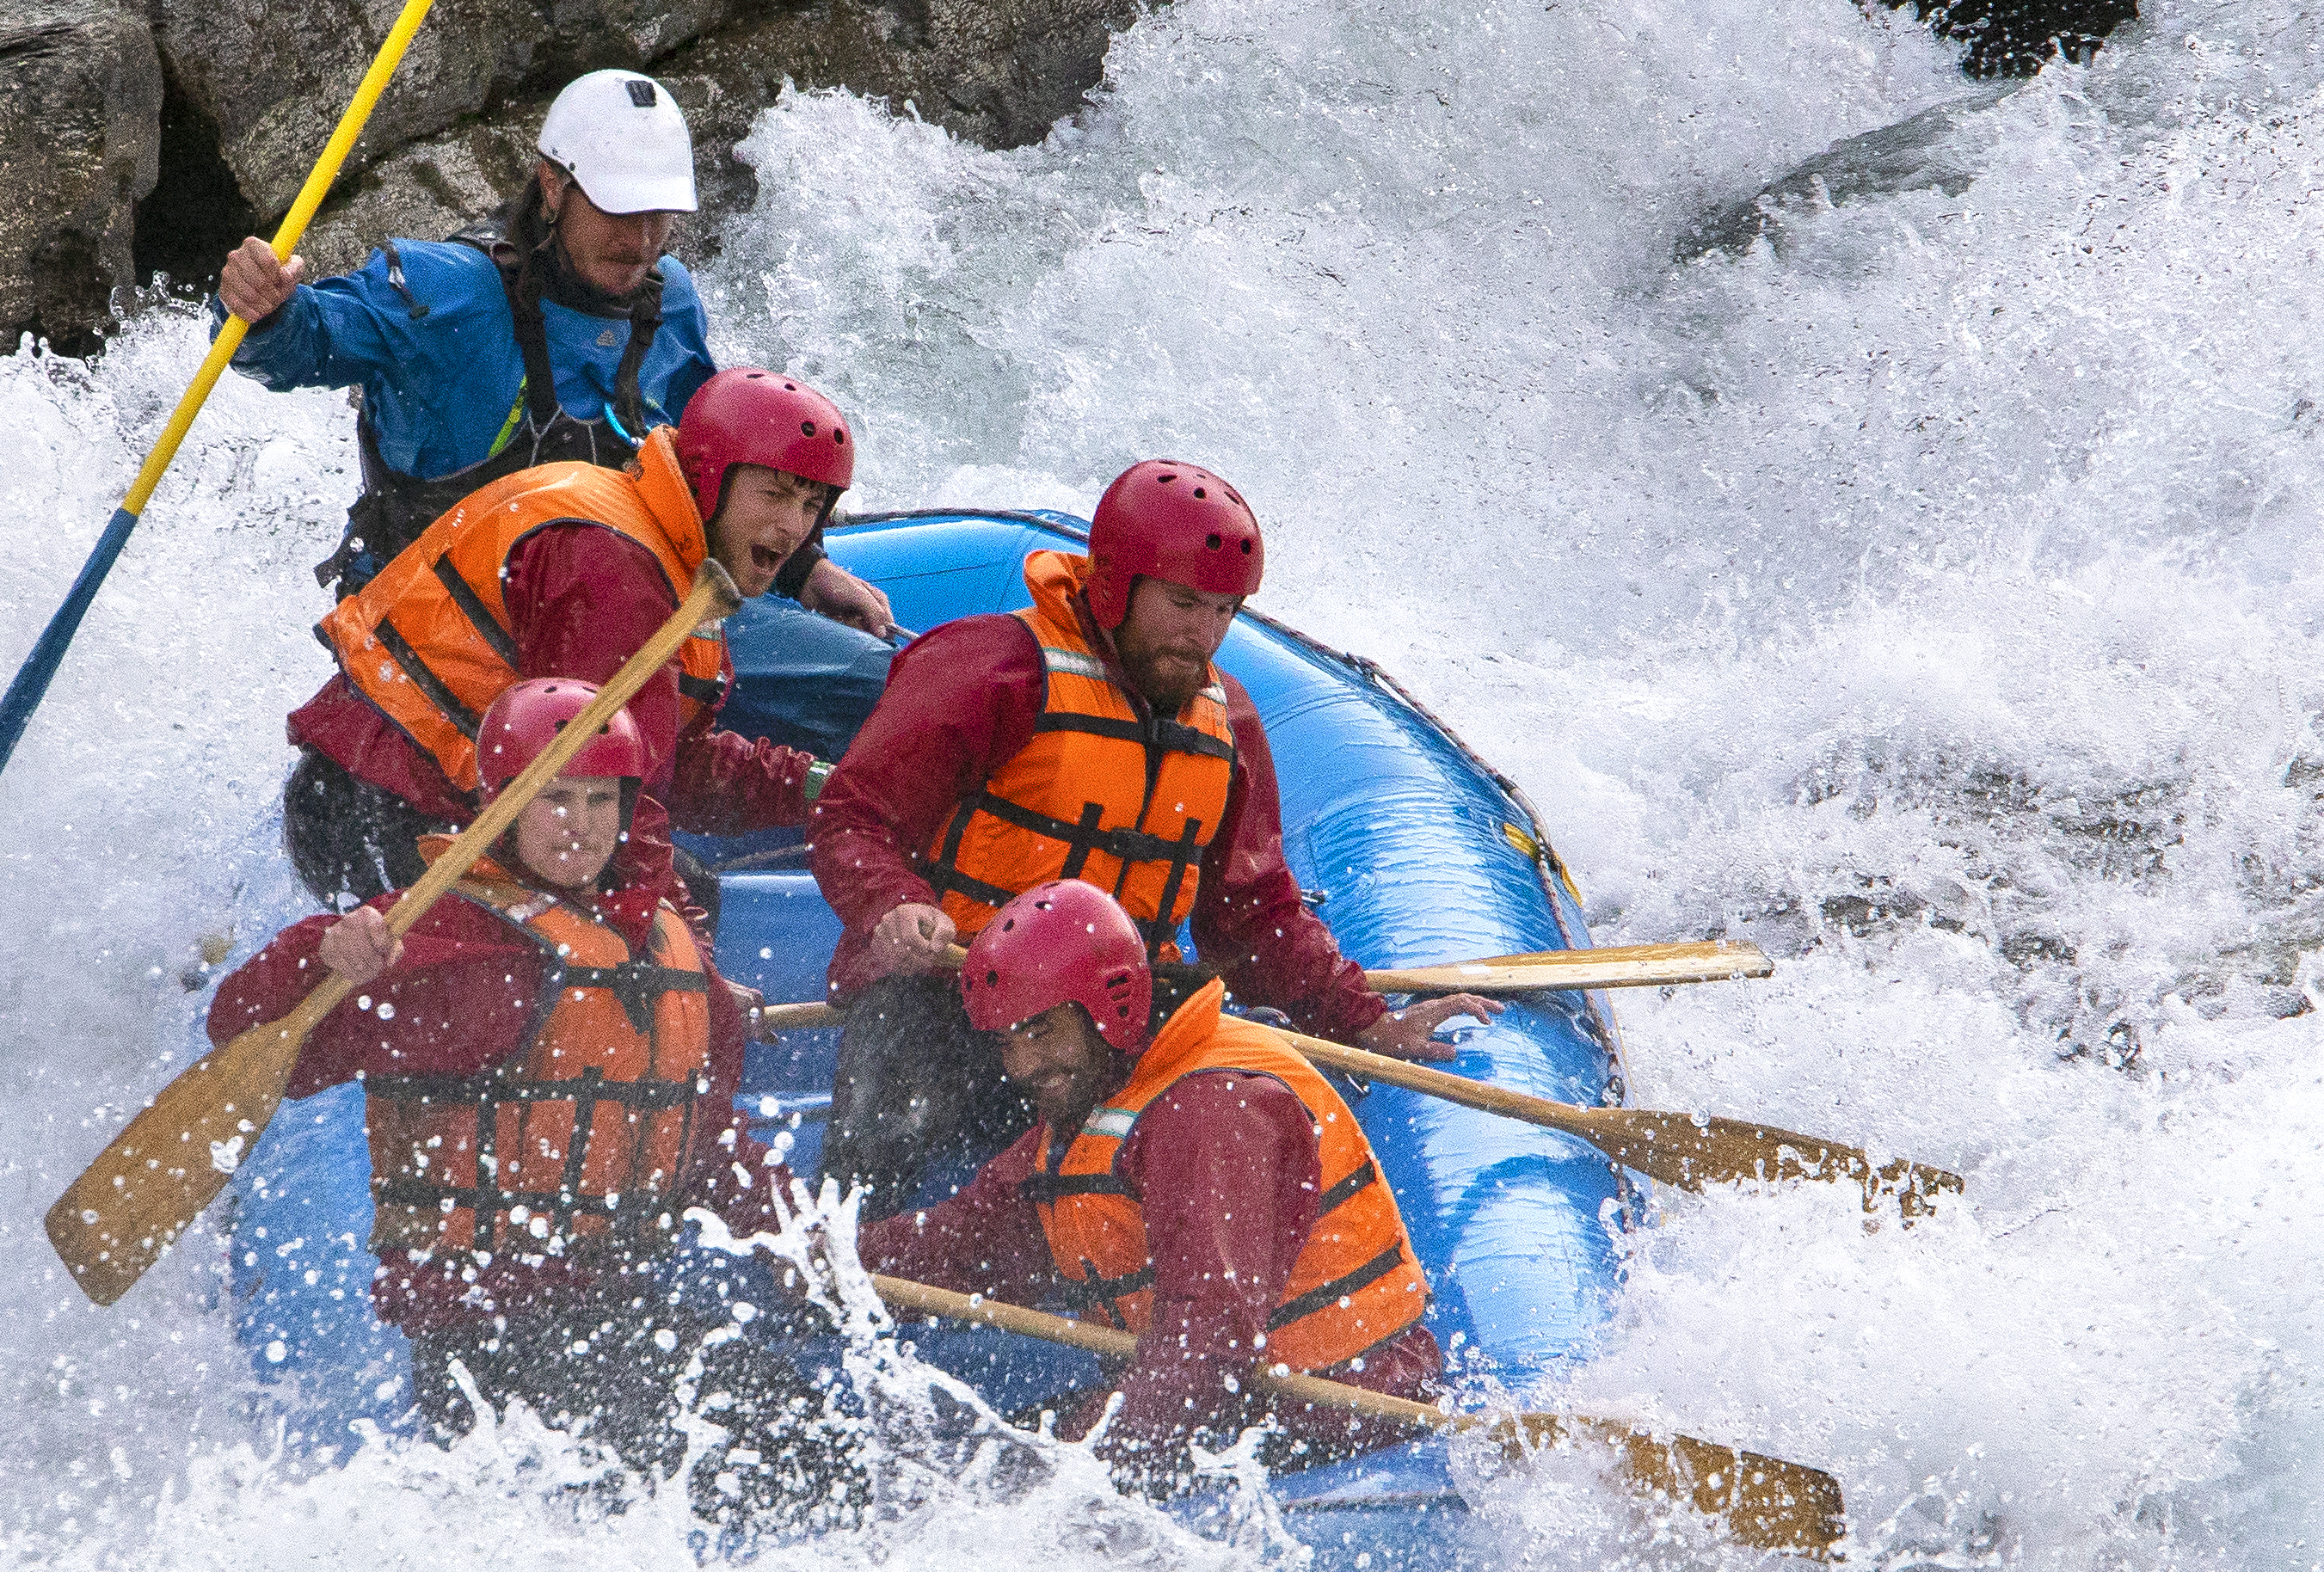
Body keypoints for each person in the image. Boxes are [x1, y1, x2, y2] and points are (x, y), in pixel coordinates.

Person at [206, 674, 839, 1493]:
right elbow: (244, 1036)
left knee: (809, 1440)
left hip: (615, 1310)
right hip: (481, 1335)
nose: (581, 828)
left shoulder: (669, 949)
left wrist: (789, 1228)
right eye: (555, 801)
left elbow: (702, 1135)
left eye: (601, 803)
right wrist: (319, 953)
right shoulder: (449, 938)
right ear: (502, 803)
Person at [806, 456, 1478, 1190]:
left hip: (1109, 1017)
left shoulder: (1231, 726)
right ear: (1116, 585)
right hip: (951, 995)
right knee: (880, 1130)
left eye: (1224, 611)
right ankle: (839, 1269)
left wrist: (1360, 1020)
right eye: (1184, 604)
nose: (1205, 635)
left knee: (1242, 1072)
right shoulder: (989, 669)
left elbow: (1252, 916)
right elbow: (852, 816)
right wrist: (892, 902)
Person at [221, 66, 897, 636]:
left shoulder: (672, 302)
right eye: (618, 211)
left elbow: (709, 479)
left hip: (609, 622)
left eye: (657, 216)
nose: (639, 240)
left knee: (860, 678)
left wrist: (806, 570)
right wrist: (265, 310)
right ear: (552, 185)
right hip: (446, 637)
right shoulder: (448, 292)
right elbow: (303, 344)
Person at [855, 879, 1441, 1483]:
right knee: (937, 1469)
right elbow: (972, 1242)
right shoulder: (1099, 1092)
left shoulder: (1215, 1112)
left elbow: (1206, 1345)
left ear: (1108, 1008)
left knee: (995, 1484)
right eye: (1007, 1042)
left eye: (1040, 1032)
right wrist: (819, 1247)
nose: (1021, 1066)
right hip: (1231, 1407)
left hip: (1334, 1416)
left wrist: (1068, 1487)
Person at [287, 367, 854, 934]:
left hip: (397, 795)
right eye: (775, 496)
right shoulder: (615, 572)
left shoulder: (663, 545)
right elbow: (619, 809)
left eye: (810, 506)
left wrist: (820, 787)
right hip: (384, 811)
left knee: (678, 891)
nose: (791, 529)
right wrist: (691, 980)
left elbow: (666, 766)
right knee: (621, 944)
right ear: (710, 481)